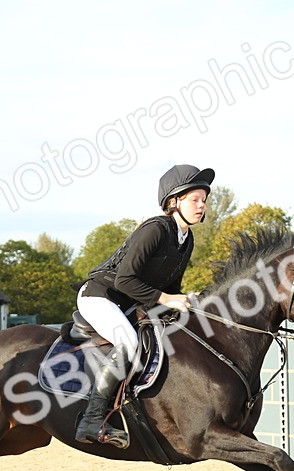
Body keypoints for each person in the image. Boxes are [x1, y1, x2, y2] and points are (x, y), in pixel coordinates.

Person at [73, 164, 213, 447]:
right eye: (195, 200)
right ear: (174, 202)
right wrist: (165, 299)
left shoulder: (186, 241)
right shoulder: (156, 229)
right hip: (101, 295)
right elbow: (125, 280)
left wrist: (188, 300)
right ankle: (90, 421)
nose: (202, 206)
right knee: (129, 341)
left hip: (132, 302)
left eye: (204, 200)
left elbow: (170, 289)